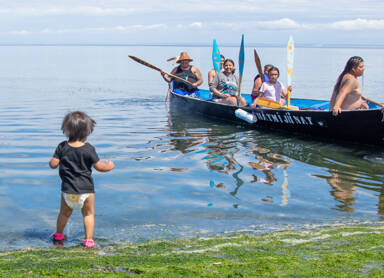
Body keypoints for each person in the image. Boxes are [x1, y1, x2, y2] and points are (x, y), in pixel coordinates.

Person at [49, 111, 115, 248]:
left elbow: (53, 164)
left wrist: (56, 160)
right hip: (86, 191)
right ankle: (88, 241)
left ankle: (59, 236)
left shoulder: (62, 147)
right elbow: (100, 167)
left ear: (66, 130)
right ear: (86, 133)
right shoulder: (89, 149)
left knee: (64, 214)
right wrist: (109, 165)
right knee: (88, 215)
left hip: (68, 190)